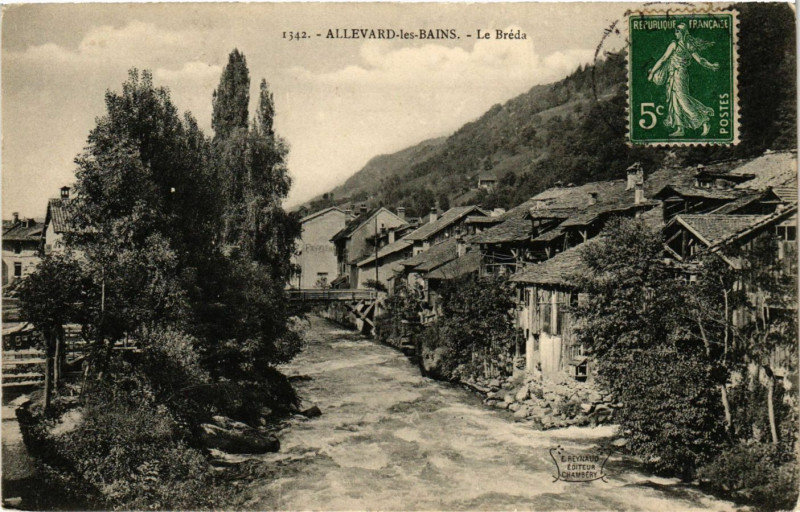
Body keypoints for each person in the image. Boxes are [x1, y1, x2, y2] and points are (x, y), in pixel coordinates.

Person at [647, 23, 720, 137]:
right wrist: (653, 72)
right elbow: (663, 59)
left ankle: (704, 121)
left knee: (682, 99)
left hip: (680, 74)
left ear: (684, 33)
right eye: (675, 31)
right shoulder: (675, 44)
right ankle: (680, 128)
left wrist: (710, 65)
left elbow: (699, 59)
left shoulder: (686, 45)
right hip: (672, 74)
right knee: (674, 100)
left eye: (678, 31)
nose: (676, 33)